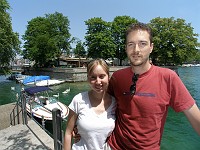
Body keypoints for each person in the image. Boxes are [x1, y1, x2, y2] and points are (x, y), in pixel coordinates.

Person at [74, 22, 200, 150]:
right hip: (113, 146)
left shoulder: (168, 78)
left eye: (142, 44)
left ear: (151, 47)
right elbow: (101, 104)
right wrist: (78, 125)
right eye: (131, 44)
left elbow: (194, 116)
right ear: (125, 48)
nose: (136, 50)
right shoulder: (118, 78)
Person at [64, 58, 116, 150]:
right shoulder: (78, 100)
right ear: (88, 78)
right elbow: (68, 133)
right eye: (93, 77)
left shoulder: (115, 103)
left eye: (102, 76)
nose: (98, 81)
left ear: (108, 77)